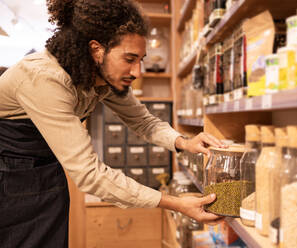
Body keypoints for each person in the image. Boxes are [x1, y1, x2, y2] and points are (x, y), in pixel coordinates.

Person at [0, 0, 225, 247]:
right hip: (8, 178)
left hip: (46, 172)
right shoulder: (45, 78)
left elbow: (143, 121)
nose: (137, 72)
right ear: (97, 49)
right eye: (129, 59)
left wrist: (184, 142)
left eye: (141, 59)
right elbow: (90, 174)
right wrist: (175, 203)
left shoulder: (101, 76)